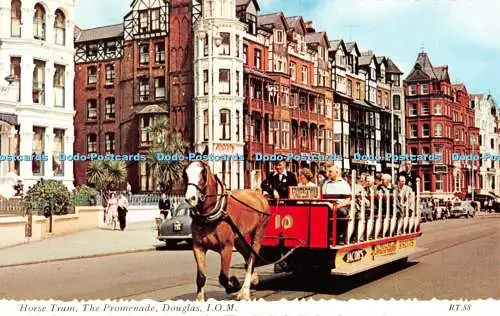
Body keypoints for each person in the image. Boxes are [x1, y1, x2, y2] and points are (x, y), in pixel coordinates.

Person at [322, 162, 351, 244]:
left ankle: (339, 236)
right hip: (328, 205)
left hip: (339, 206)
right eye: (328, 171)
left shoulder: (344, 184)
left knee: (342, 212)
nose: (328, 173)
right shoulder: (326, 183)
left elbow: (348, 200)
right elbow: (322, 197)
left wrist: (337, 206)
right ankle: (324, 236)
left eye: (330, 171)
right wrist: (327, 204)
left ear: (337, 173)